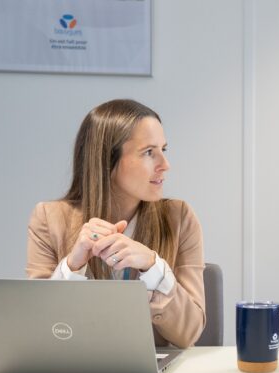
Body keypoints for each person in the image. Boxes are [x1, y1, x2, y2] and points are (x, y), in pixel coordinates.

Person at [26, 99, 205, 348]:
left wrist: (153, 267)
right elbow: (37, 330)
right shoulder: (48, 218)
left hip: (156, 372)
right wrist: (72, 267)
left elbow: (190, 333)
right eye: (149, 152)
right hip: (74, 368)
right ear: (106, 159)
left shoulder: (179, 218)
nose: (165, 165)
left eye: (164, 149)